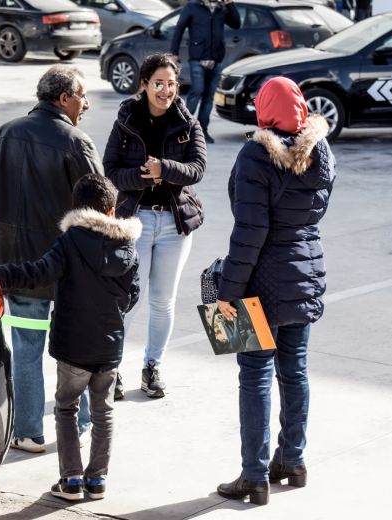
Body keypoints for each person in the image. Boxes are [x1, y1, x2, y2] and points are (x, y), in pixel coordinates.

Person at [214, 77, 336, 505]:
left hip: (258, 283)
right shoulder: (321, 151)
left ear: (264, 109)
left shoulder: (254, 155)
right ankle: (292, 461)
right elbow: (315, 211)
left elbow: (251, 229)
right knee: (296, 371)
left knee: (255, 376)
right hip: (305, 273)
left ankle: (254, 476)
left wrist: (226, 292)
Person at [0, 174, 141, 501]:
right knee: (103, 413)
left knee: (66, 409)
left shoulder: (70, 242)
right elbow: (134, 294)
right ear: (112, 211)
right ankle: (97, 480)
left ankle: (71, 480)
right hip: (109, 346)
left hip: (73, 347)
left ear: (77, 209)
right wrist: (114, 315)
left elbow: (37, 273)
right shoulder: (128, 247)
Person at [0, 65, 101, 453]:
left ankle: (28, 432)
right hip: (61, 265)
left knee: (26, 347)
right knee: (75, 346)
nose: (87, 103)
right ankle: (80, 423)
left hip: (10, 264)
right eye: (82, 95)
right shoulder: (76, 142)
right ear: (64, 98)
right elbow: (98, 209)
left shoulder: (5, 133)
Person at [103, 53, 207, 399]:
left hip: (174, 225)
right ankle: (113, 368)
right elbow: (111, 169)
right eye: (159, 84)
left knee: (163, 301)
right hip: (136, 222)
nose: (166, 91)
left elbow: (197, 169)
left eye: (172, 84)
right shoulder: (126, 120)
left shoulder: (188, 122)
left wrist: (164, 169)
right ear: (144, 85)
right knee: (130, 298)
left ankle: (152, 367)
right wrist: (141, 178)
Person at [170, 0, 240, 144]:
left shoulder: (222, 8)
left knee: (208, 97)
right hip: (197, 58)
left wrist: (230, 4)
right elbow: (179, 28)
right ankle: (184, 129)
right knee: (197, 91)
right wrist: (173, 52)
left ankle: (202, 131)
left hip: (216, 60)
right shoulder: (192, 6)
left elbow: (236, 24)